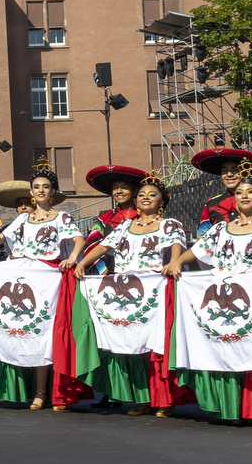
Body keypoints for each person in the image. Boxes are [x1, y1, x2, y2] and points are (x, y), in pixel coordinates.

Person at [161, 167, 252, 426]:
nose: (244, 196)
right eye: (239, 192)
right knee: (227, 344)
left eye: (251, 192)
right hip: (226, 294)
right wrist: (177, 262)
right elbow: (199, 249)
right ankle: (234, 407)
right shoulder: (221, 229)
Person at [0, 169, 87, 410]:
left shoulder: (61, 217)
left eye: (45, 186)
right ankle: (26, 389)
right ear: (31, 192)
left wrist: (73, 257)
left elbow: (78, 239)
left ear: (53, 191)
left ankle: (44, 391)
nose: (40, 190)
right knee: (19, 330)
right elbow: (0, 239)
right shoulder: (23, 219)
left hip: (48, 279)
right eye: (36, 186)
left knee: (45, 334)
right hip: (23, 276)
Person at [72, 175, 190, 415]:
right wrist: (83, 262)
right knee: (132, 344)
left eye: (152, 194)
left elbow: (177, 244)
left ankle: (163, 400)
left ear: (162, 201)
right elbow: (104, 246)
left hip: (154, 289)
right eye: (142, 194)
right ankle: (143, 398)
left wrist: (175, 262)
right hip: (125, 291)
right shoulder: (125, 226)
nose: (145, 197)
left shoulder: (170, 224)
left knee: (155, 345)